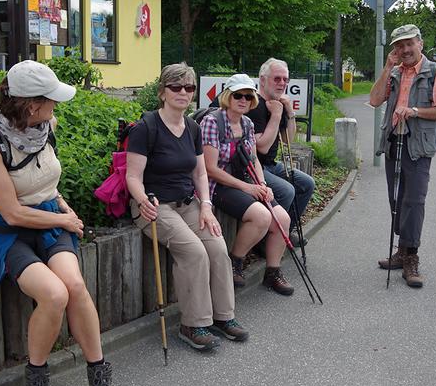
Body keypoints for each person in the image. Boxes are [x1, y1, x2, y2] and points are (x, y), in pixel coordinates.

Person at [0, 60, 118, 386]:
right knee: (53, 294)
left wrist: (62, 203)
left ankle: (98, 372)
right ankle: (35, 376)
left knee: (75, 286)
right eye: (52, 99)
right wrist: (64, 219)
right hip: (6, 231)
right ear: (32, 104)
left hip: (49, 216)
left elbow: (44, 179)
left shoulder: (46, 126)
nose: (57, 106)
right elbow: (12, 213)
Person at [125, 62, 249, 351]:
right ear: (162, 92)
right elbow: (132, 176)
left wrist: (206, 205)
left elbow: (200, 173)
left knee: (217, 247)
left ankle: (223, 317)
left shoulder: (192, 126)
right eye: (176, 87)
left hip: (188, 203)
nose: (183, 92)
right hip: (155, 207)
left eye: (189, 87)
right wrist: (143, 200)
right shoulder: (146, 128)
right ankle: (193, 323)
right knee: (194, 252)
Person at [369, 24, 436, 288]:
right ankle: (402, 250)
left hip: (418, 145)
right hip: (394, 141)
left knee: (414, 201)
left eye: (409, 43)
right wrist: (386, 68)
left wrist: (415, 111)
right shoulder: (394, 73)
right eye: (399, 45)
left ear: (420, 43)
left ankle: (412, 256)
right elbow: (374, 100)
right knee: (396, 199)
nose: (405, 49)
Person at [202, 74, 294, 296]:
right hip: (218, 185)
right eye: (238, 95)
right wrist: (248, 188)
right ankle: (234, 263)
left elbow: (253, 159)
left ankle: (272, 272)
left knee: (283, 218)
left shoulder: (247, 123)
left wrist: (261, 184)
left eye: (248, 95)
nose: (243, 99)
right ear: (227, 97)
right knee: (262, 216)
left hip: (244, 181)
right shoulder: (213, 122)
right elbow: (210, 168)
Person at [246, 58, 315, 248]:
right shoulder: (255, 105)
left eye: (285, 79)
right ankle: (265, 241)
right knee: (286, 191)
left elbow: (288, 140)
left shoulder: (278, 104)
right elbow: (262, 147)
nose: (282, 83)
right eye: (277, 79)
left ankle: (285, 231)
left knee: (306, 183)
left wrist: (289, 113)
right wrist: (276, 115)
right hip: (253, 167)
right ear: (262, 79)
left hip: (271, 165)